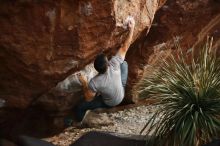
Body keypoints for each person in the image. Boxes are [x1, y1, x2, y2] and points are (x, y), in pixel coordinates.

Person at [76, 17, 135, 122]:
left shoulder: (94, 82)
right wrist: (132, 28)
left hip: (109, 101)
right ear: (108, 64)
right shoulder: (114, 64)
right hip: (121, 92)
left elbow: (88, 98)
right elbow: (125, 46)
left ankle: (79, 121)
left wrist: (84, 83)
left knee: (80, 107)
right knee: (124, 64)